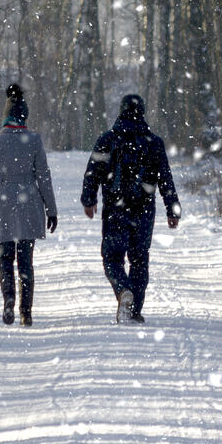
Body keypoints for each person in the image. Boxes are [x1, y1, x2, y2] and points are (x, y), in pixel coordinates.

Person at [81, 94, 180, 324]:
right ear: (142, 112)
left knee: (112, 257)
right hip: (144, 210)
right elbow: (165, 179)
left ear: (121, 111)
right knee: (139, 259)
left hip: (115, 209)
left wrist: (89, 199)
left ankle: (123, 289)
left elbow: (92, 171)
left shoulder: (107, 139)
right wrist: (172, 210)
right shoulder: (154, 143)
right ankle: (134, 309)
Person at [0, 84, 58, 326]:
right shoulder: (34, 141)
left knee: (4, 260)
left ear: (6, 116)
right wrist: (51, 209)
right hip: (28, 205)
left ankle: (8, 301)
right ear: (24, 115)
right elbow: (43, 176)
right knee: (25, 261)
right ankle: (26, 312)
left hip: (3, 204)